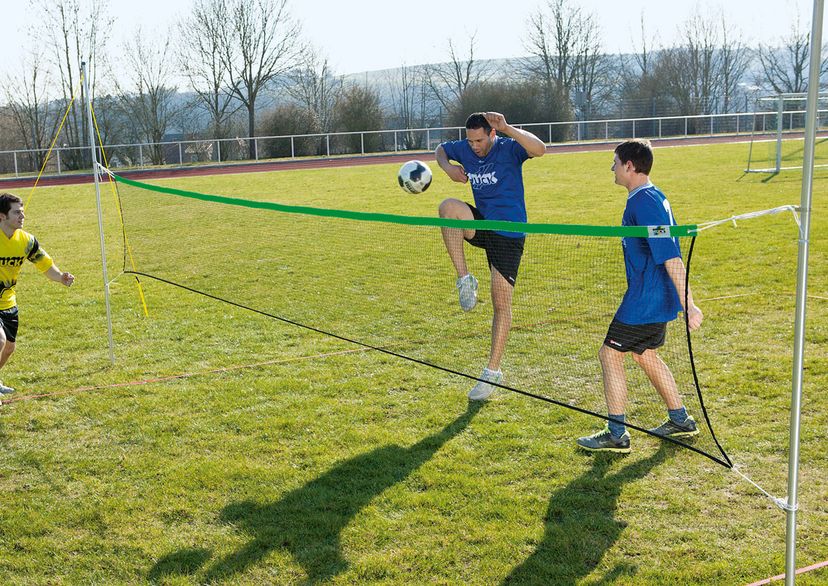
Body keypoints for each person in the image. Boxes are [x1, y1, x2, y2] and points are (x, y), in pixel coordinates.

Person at [576, 139, 703, 453]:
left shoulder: (644, 202)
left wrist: (689, 304)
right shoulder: (647, 197)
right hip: (653, 298)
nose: (612, 168)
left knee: (609, 355)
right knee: (645, 354)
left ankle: (616, 433)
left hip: (645, 301)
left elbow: (671, 255)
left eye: (615, 163)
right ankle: (680, 419)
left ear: (630, 166)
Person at [435, 112, 546, 401]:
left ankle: (492, 371)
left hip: (509, 234)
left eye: (479, 140)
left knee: (500, 302)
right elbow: (441, 150)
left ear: (492, 134)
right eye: (470, 140)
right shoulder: (465, 147)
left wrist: (508, 127)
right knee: (448, 207)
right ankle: (465, 279)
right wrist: (448, 168)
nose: (473, 146)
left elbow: (540, 149)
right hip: (483, 224)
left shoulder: (508, 148)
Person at [0, 193, 74, 394]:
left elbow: (45, 265)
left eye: (22, 212)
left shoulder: (27, 241)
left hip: (8, 302)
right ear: (2, 216)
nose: (22, 216)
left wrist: (61, 277)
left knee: (9, 349)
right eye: (16, 212)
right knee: (0, 340)